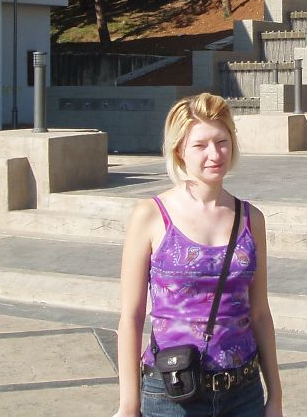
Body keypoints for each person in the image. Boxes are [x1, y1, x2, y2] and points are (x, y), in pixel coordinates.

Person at [113, 93, 283, 417]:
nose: (214, 154)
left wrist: (275, 397)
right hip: (173, 393)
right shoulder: (151, 215)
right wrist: (128, 404)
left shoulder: (251, 219)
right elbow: (131, 316)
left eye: (222, 142)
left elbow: (260, 313)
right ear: (179, 150)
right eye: (200, 145)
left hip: (243, 392)